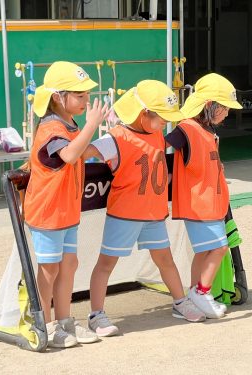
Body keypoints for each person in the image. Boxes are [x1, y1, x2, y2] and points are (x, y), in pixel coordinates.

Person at [87, 80, 206, 337]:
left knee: (165, 260)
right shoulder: (115, 138)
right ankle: (96, 314)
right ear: (144, 115)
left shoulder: (155, 134)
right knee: (106, 264)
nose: (166, 123)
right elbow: (81, 154)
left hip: (153, 214)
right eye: (162, 118)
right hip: (125, 215)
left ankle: (179, 301)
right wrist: (90, 127)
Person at [24, 61, 110, 348]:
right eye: (80, 95)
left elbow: (82, 150)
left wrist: (107, 140)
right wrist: (92, 126)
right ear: (58, 97)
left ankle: (65, 321)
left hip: (67, 211)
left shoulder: (69, 124)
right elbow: (70, 155)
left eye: (86, 95)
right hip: (48, 213)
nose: (86, 100)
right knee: (49, 269)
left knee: (69, 264)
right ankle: (44, 323)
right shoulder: (50, 128)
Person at [165, 73, 241, 319]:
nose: (228, 113)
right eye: (225, 108)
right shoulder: (187, 129)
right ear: (210, 106)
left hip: (209, 203)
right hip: (198, 204)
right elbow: (160, 146)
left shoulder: (204, 130)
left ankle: (192, 297)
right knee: (220, 247)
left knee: (203, 251)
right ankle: (201, 291)